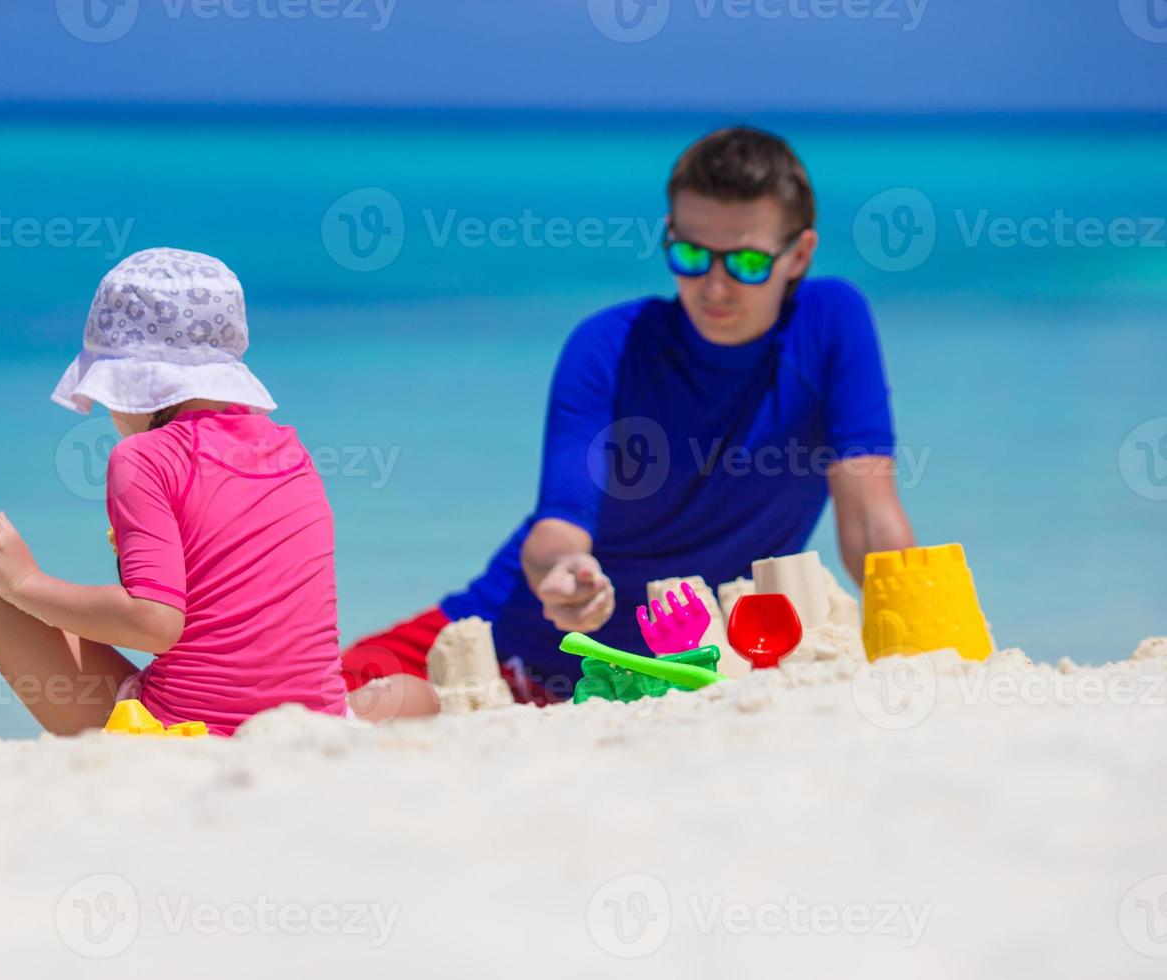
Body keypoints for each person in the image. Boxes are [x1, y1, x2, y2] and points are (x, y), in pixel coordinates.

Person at [342, 126, 916, 719]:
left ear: (798, 255)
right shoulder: (608, 347)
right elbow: (558, 527)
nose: (715, 286)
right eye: (691, 256)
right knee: (334, 692)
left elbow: (871, 521)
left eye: (746, 263)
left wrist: (919, 637)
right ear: (670, 237)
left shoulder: (831, 325)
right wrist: (565, 576)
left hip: (681, 671)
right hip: (515, 643)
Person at [0, 248, 346, 748]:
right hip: (313, 720)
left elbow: (155, 624)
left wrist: (24, 583)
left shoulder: (145, 457)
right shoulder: (290, 450)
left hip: (184, 731)